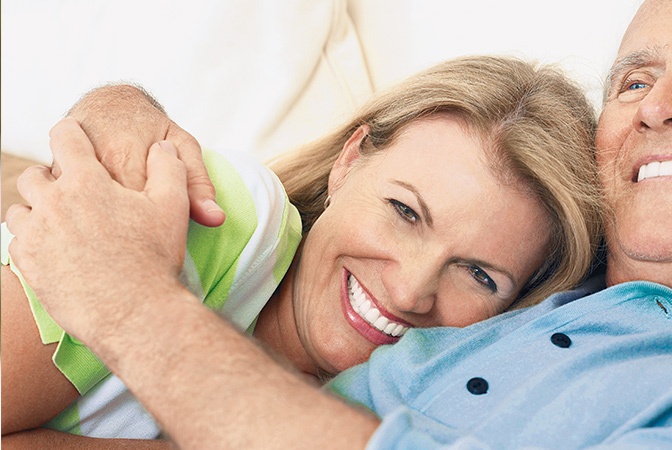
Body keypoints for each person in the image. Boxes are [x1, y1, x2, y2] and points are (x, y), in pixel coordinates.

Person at [5, 0, 672, 447]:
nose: (661, 106)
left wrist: (128, 304)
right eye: (630, 84)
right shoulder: (535, 280)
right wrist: (116, 118)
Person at [1, 55, 604, 446]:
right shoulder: (229, 217)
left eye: (479, 274)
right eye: (405, 212)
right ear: (348, 164)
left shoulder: (400, 417)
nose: (410, 290)